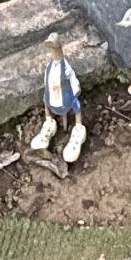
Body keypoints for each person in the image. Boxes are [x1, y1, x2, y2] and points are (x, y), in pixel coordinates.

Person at [31, 33, 86, 165]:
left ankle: (78, 130)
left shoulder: (66, 68)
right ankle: (49, 123)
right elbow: (46, 79)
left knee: (75, 106)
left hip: (65, 95)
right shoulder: (49, 66)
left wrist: (75, 89)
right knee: (46, 102)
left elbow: (72, 78)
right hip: (52, 94)